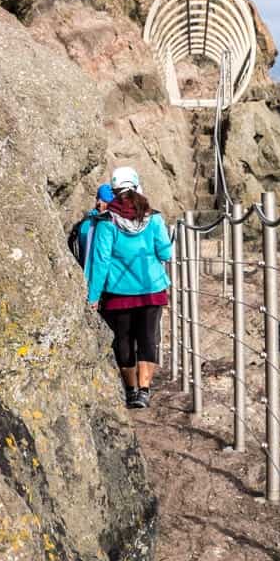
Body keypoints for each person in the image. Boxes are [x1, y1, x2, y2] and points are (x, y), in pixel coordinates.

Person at [86, 166, 172, 409]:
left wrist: (94, 296)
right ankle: (144, 391)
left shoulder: (106, 223)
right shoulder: (153, 218)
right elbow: (166, 252)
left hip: (117, 293)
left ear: (113, 192)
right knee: (147, 340)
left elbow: (100, 261)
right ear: (137, 188)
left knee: (122, 341)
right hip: (151, 289)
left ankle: (131, 390)